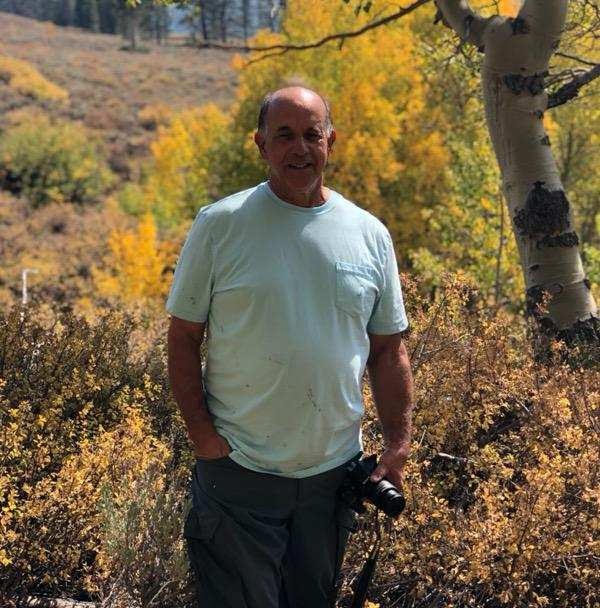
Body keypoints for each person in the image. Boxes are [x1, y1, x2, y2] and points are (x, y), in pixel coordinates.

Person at [165, 85, 414, 608]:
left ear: (331, 142)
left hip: (331, 480)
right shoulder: (220, 225)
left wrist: (397, 444)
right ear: (260, 145)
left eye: (311, 135)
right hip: (240, 477)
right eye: (284, 136)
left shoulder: (369, 234)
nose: (299, 148)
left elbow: (388, 351)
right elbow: (184, 337)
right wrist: (205, 439)